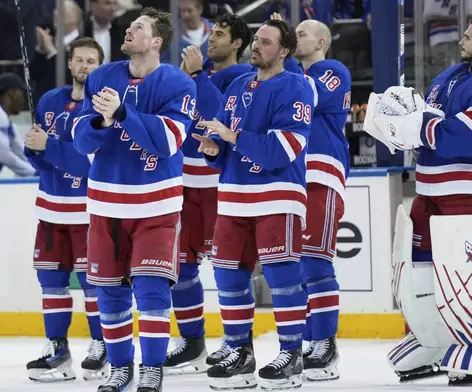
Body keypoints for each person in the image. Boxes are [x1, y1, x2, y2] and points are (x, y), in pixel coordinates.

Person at [363, 13, 472, 386]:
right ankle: (435, 341)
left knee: (464, 270)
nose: (461, 41)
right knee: (413, 271)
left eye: (468, 36)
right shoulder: (448, 77)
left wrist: (419, 125)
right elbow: (425, 124)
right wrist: (399, 124)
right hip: (429, 188)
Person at [71, 7, 196, 392]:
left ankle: (152, 368)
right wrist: (100, 121)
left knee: (152, 288)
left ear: (156, 41)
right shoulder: (103, 77)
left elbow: (168, 142)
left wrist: (123, 113)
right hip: (106, 203)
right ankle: (121, 368)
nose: (128, 30)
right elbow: (80, 139)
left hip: (156, 205)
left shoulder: (178, 84)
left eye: (137, 27)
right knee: (109, 292)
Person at [194, 18, 314, 391]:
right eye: (256, 40)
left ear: (284, 50)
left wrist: (232, 135)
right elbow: (226, 145)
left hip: (278, 194)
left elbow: (284, 148)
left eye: (265, 41)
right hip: (233, 196)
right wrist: (215, 149)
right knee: (228, 275)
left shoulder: (297, 86)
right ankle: (239, 350)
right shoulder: (238, 85)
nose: (256, 46)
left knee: (282, 277)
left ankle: (292, 353)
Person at [162, 12, 252, 375]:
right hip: (183, 185)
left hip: (219, 185)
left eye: (221, 34)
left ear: (237, 44)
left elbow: (222, 117)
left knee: (229, 268)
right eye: (211, 32)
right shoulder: (189, 76)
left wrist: (198, 77)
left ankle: (236, 342)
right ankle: (192, 341)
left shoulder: (245, 78)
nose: (211, 39)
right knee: (180, 268)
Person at [23, 37, 108, 383]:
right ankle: (56, 348)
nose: (85, 66)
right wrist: (33, 148)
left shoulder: (103, 108)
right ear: (70, 64)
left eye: (92, 61)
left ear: (99, 67)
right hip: (50, 210)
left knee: (94, 284)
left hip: (88, 213)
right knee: (52, 282)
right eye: (80, 60)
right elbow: (41, 159)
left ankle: (101, 345)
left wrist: (50, 147)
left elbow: (89, 165)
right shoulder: (49, 101)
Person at [291, 17, 351, 381]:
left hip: (322, 174)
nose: (296, 39)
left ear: (321, 42)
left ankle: (325, 344)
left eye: (301, 35)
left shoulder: (333, 70)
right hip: (294, 177)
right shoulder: (292, 74)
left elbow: (305, 97)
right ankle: (309, 339)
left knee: (315, 263)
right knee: (297, 267)